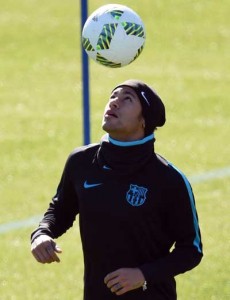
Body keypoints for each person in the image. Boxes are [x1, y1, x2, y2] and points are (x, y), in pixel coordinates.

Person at [31, 79, 203, 300]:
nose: (114, 103)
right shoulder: (81, 162)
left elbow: (191, 250)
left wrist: (143, 274)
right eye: (113, 96)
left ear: (144, 121)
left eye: (127, 99)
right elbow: (61, 210)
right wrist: (42, 233)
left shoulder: (169, 180)